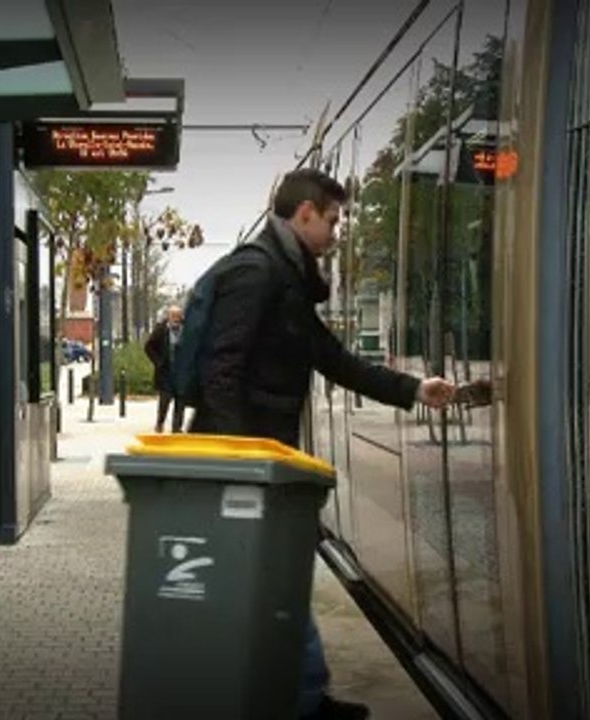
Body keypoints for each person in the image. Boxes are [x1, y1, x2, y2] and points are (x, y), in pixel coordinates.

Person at [189, 168, 455, 720]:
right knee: (277, 575)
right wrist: (244, 466)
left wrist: (414, 390)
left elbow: (335, 360)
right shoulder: (258, 273)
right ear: (303, 214)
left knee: (279, 576)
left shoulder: (286, 280)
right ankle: (298, 700)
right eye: (332, 221)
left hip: (268, 462)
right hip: (250, 466)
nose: (338, 233)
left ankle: (298, 696)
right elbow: (220, 373)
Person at [144, 304, 187, 433]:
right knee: (164, 401)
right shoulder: (161, 330)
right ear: (168, 316)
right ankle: (160, 423)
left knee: (180, 402)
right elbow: (148, 347)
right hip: (166, 372)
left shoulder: (186, 330)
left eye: (178, 316)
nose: (175, 319)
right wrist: (158, 362)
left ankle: (177, 427)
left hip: (181, 372)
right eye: (173, 316)